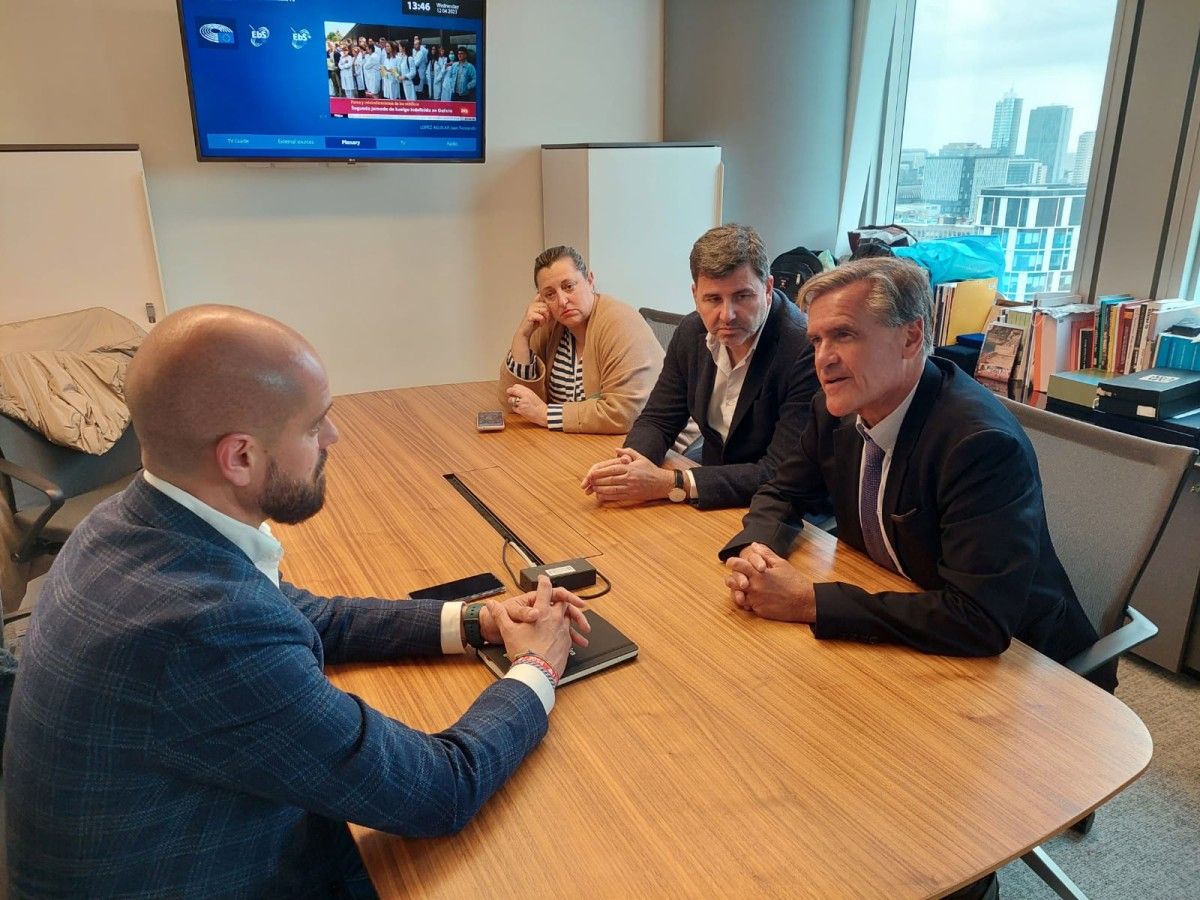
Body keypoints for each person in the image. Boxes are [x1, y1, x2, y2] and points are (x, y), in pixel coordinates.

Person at [4, 305, 590, 898]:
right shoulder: (205, 630)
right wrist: (535, 668)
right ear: (239, 458)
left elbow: (306, 614)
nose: (334, 437)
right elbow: (439, 790)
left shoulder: (126, 522)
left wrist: (479, 619)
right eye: (314, 427)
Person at [719, 256, 1104, 683]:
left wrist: (810, 601)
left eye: (843, 335)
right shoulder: (835, 411)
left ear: (911, 336)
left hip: (1030, 668)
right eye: (816, 341)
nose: (823, 360)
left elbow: (978, 619)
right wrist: (756, 554)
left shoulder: (979, 445)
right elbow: (783, 491)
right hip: (906, 613)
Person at [580, 224, 820, 510]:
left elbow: (778, 471)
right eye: (713, 299)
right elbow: (659, 419)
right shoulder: (691, 332)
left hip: (785, 511)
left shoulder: (805, 347)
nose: (727, 315)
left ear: (767, 288)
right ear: (695, 295)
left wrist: (672, 483)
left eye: (742, 296)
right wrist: (628, 466)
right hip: (713, 494)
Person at [500, 246, 664, 433]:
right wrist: (523, 335)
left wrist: (545, 414)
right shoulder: (551, 325)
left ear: (589, 280)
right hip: (585, 441)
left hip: (660, 447)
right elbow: (514, 402)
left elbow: (623, 414)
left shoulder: (620, 322)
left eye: (568, 286)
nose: (562, 301)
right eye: (550, 294)